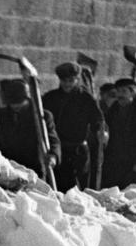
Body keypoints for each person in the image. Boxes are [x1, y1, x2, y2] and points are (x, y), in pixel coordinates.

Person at [43, 62, 104, 191]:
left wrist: (99, 131)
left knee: (77, 189)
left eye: (71, 80)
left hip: (78, 153)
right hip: (58, 152)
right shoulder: (50, 98)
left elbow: (97, 119)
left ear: (77, 79)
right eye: (64, 80)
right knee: (56, 187)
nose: (67, 84)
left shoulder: (85, 98)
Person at [0, 78, 60, 179]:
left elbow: (53, 139)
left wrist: (53, 156)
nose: (15, 105)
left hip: (33, 168)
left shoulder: (42, 117)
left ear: (27, 99)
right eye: (12, 102)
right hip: (8, 168)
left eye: (19, 102)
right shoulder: (1, 115)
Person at [100, 78, 136, 188]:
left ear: (132, 93)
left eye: (124, 91)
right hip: (113, 168)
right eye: (118, 92)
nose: (120, 95)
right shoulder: (110, 114)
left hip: (134, 169)